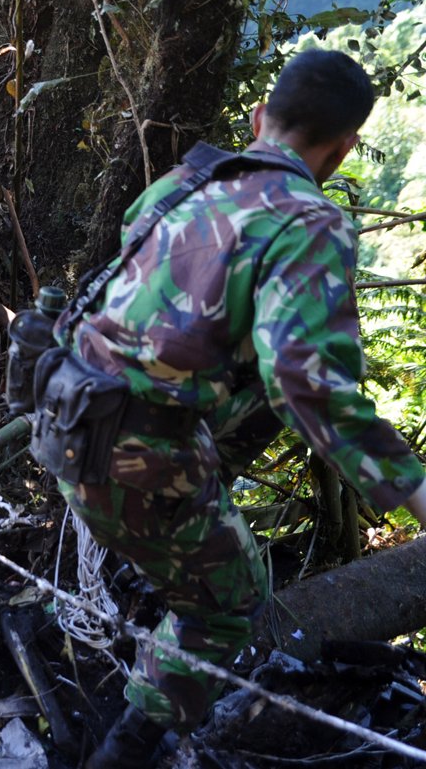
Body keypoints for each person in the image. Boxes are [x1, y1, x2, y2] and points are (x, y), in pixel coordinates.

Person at [36, 49, 426, 768]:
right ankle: (121, 753)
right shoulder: (309, 218)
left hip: (62, 421)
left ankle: (86, 649)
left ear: (257, 118)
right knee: (228, 604)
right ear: (341, 149)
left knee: (188, 547)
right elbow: (306, 382)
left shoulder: (182, 186)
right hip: (138, 449)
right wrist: (415, 489)